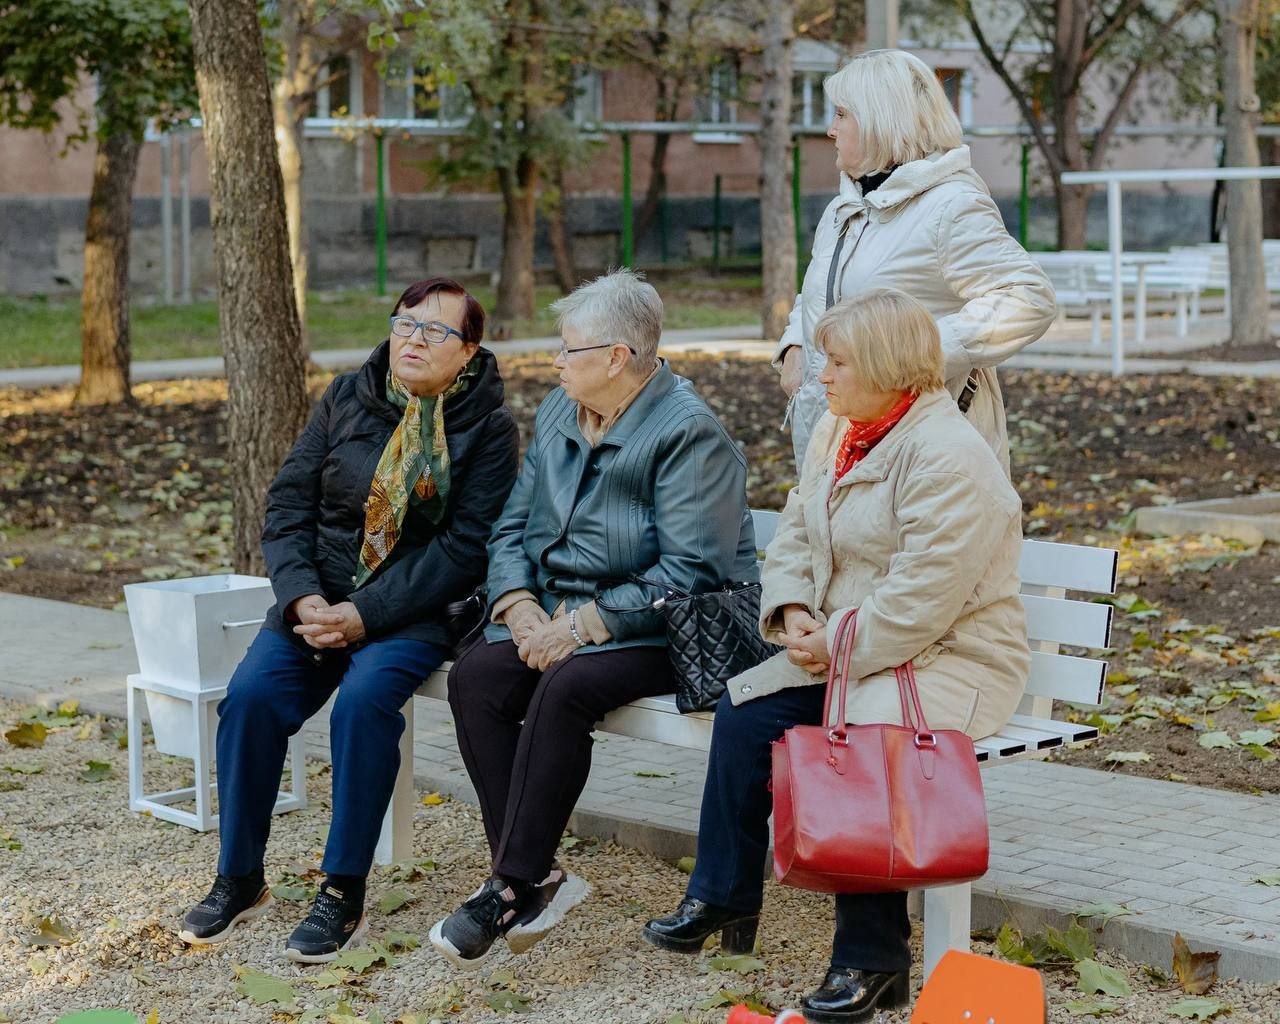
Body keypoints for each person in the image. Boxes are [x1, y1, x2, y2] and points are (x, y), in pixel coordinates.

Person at [644, 288, 1031, 1023]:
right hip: (852, 646)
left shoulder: (948, 454)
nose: (822, 376)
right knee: (744, 709)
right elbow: (793, 530)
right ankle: (724, 890)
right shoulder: (842, 432)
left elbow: (925, 597)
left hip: (949, 658)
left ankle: (872, 958)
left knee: (861, 738)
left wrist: (835, 641)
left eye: (840, 361)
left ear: (889, 365)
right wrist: (791, 610)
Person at [178, 278, 519, 963]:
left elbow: (464, 550)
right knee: (248, 700)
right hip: (315, 602)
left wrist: (364, 616)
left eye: (436, 332)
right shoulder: (348, 395)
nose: (413, 341)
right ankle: (239, 877)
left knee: (361, 707)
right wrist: (302, 598)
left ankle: (341, 892)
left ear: (470, 351)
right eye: (405, 324)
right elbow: (287, 505)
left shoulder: (489, 427)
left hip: (412, 613)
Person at [430, 268, 758, 969]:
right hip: (552, 613)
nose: (556, 360)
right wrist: (517, 606)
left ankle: (510, 886)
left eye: (568, 348)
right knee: (480, 677)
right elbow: (512, 524)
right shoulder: (558, 411)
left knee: (564, 687)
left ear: (616, 358)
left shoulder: (689, 433)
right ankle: (537, 874)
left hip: (664, 627)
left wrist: (579, 628)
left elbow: (691, 573)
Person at [776, 48, 1055, 471]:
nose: (830, 130)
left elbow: (1029, 298)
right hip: (834, 441)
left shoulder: (951, 207)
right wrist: (795, 344)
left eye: (841, 115)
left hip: (918, 451)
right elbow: (823, 289)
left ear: (878, 122)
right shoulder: (845, 207)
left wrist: (909, 360)